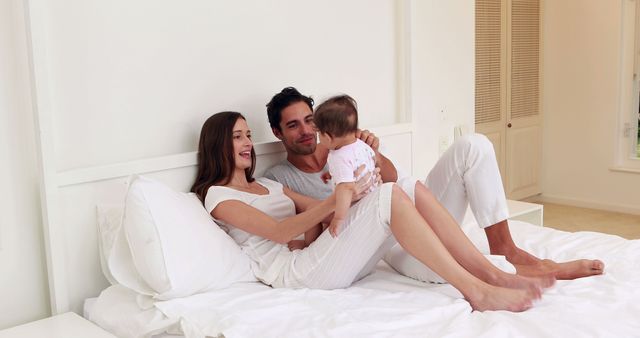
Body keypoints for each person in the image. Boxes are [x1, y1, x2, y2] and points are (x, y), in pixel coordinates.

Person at [191, 111, 552, 312]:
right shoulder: (217, 196)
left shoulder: (267, 186)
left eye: (248, 135)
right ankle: (475, 290)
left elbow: (315, 213)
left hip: (314, 256)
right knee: (389, 195)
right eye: (238, 136)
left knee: (401, 187)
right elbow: (281, 232)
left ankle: (492, 274)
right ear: (217, 143)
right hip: (296, 274)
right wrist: (341, 198)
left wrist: (354, 191)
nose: (248, 143)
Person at [264, 86, 604, 280]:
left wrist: (370, 152)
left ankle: (505, 247)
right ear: (278, 133)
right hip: (385, 247)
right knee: (450, 264)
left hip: (410, 209)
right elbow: (312, 235)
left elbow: (394, 180)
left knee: (473, 146)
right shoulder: (281, 178)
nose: (306, 130)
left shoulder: (347, 147)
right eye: (293, 126)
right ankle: (531, 271)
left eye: (309, 120)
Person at [313, 94, 379, 237]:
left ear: (328, 137)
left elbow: (346, 188)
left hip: (358, 206)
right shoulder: (361, 145)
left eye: (319, 133)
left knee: (325, 226)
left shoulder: (338, 157)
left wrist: (339, 218)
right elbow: (369, 162)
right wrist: (332, 175)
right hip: (374, 197)